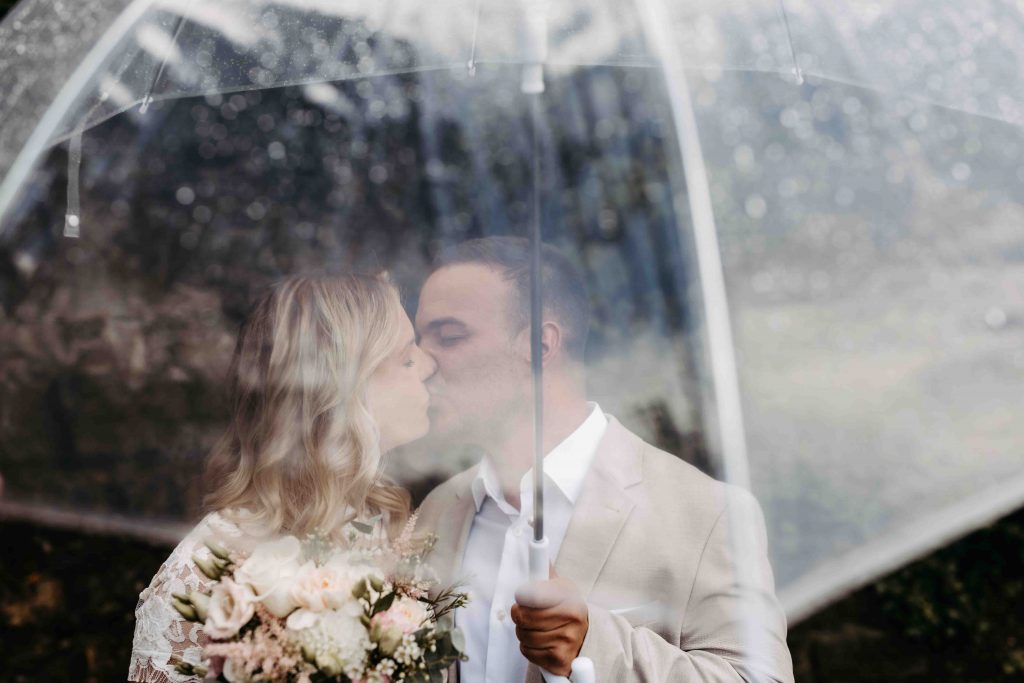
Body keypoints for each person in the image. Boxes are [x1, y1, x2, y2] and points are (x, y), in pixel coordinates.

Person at [414, 237, 794, 682]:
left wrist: (593, 644)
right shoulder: (437, 512)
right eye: (419, 340)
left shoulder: (707, 514)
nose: (421, 362)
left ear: (540, 345)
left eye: (449, 336)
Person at [128, 273, 437, 682]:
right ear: (343, 391)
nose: (430, 366)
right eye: (407, 359)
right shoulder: (206, 571)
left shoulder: (385, 525)